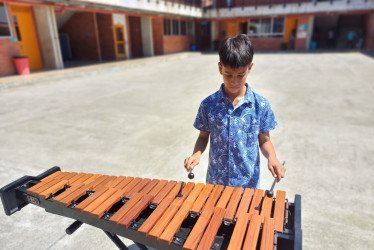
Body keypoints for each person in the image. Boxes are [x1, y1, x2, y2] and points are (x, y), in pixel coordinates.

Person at [184, 34, 286, 189]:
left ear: (250, 68)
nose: (234, 81)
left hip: (248, 184)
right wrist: (196, 154)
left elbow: (264, 140)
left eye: (240, 75)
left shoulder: (261, 105)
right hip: (216, 183)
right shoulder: (208, 105)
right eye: (228, 74)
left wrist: (272, 157)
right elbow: (203, 137)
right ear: (220, 68)